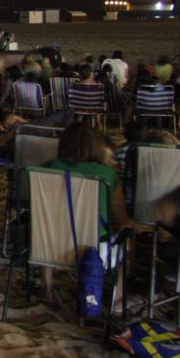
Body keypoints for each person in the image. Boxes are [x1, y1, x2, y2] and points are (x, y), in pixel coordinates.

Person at [42, 122, 132, 306]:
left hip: (49, 247)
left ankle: (47, 286)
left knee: (47, 224)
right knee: (129, 234)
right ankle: (119, 296)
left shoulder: (48, 167)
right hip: (95, 252)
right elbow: (120, 219)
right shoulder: (107, 174)